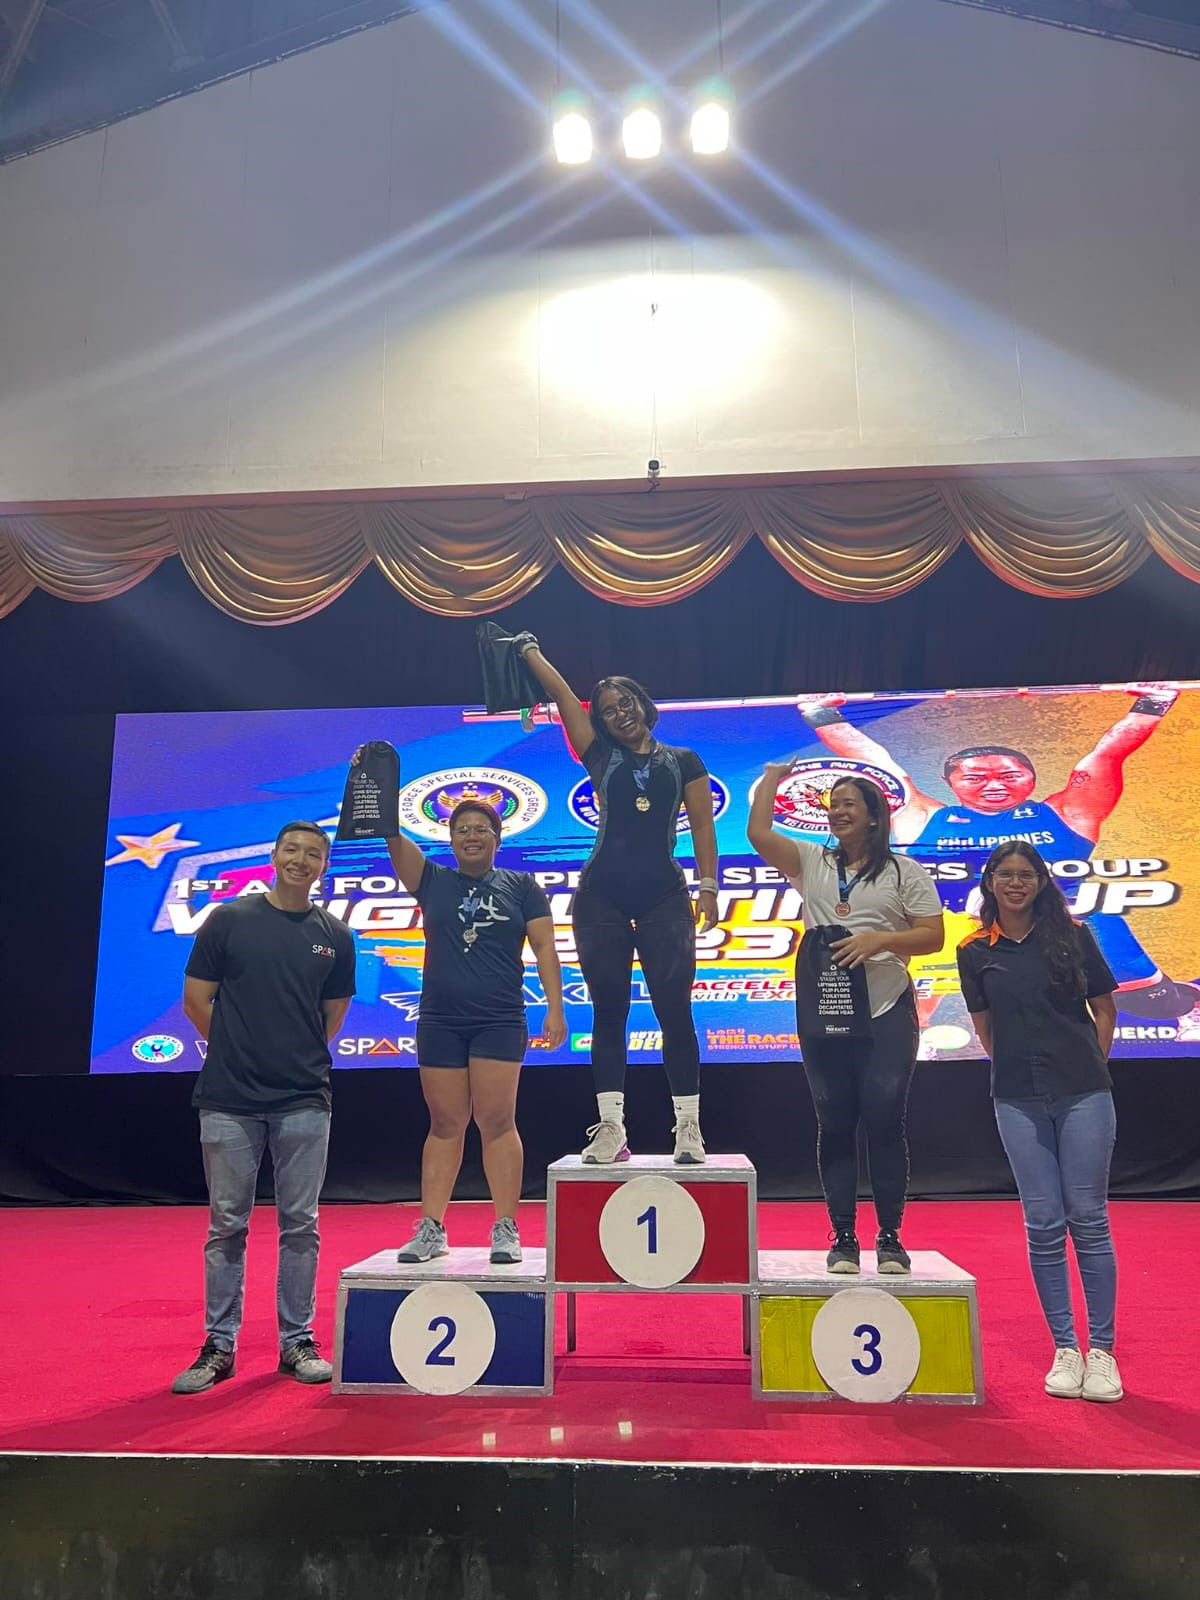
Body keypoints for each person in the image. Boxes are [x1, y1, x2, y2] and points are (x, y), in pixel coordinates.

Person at [798, 685, 1195, 1020]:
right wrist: (821, 715)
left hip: (1067, 935)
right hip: (955, 937)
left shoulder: (1068, 812)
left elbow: (1105, 758)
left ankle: (1190, 998)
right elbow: (876, 764)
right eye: (975, 777)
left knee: (1154, 1007)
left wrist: (1152, 703)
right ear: (950, 782)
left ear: (1031, 778)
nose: (993, 785)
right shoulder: (919, 816)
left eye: (1008, 775)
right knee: (902, 1009)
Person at [516, 635, 718, 1165]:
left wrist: (710, 887)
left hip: (665, 898)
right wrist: (533, 652)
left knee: (675, 1012)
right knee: (610, 1014)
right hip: (600, 899)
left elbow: (701, 825)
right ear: (600, 722)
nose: (619, 714)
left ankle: (689, 1129)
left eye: (625, 702)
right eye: (607, 711)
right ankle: (611, 1129)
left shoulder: (685, 761)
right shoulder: (599, 757)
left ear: (642, 704)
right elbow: (562, 697)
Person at [172, 821, 356, 1395]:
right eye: (293, 850)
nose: (302, 860)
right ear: (275, 856)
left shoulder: (336, 934)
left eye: (314, 854)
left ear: (324, 865)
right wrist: (237, 1050)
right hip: (228, 1100)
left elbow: (332, 1015)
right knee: (227, 1226)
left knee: (301, 1225)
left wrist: (292, 1057)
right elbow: (195, 1000)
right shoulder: (228, 920)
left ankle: (296, 1342)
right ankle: (218, 1347)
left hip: (304, 1099)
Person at [748, 766, 943, 1274]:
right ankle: (843, 1238)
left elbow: (931, 936)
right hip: (827, 1009)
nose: (837, 811)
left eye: (849, 803)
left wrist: (880, 940)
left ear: (875, 816)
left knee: (883, 1117)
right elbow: (758, 834)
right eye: (833, 804)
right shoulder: (812, 860)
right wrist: (771, 779)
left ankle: (891, 1238)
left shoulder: (904, 872)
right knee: (834, 1122)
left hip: (887, 1009)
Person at [957, 842, 1122, 1402]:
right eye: (1006, 875)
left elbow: (1105, 1009)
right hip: (1017, 1099)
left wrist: (1089, 1062)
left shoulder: (1074, 937)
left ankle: (1102, 1352)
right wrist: (1016, 1068)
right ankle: (1065, 1349)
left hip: (1084, 1095)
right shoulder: (975, 950)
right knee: (1044, 1223)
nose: (1016, 884)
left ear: (1041, 881)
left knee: (1089, 1217)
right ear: (991, 882)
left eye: (1026, 875)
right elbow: (984, 1027)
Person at [378, 790, 566, 1264]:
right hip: (441, 1019)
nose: (472, 835)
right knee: (445, 1123)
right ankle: (432, 1228)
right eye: (462, 829)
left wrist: (556, 1008)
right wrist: (374, 781)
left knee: (497, 1121)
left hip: (499, 1019)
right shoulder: (432, 879)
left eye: (481, 828)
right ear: (450, 839)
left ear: (497, 837)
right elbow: (393, 837)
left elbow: (544, 947)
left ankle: (506, 1228)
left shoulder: (522, 885)